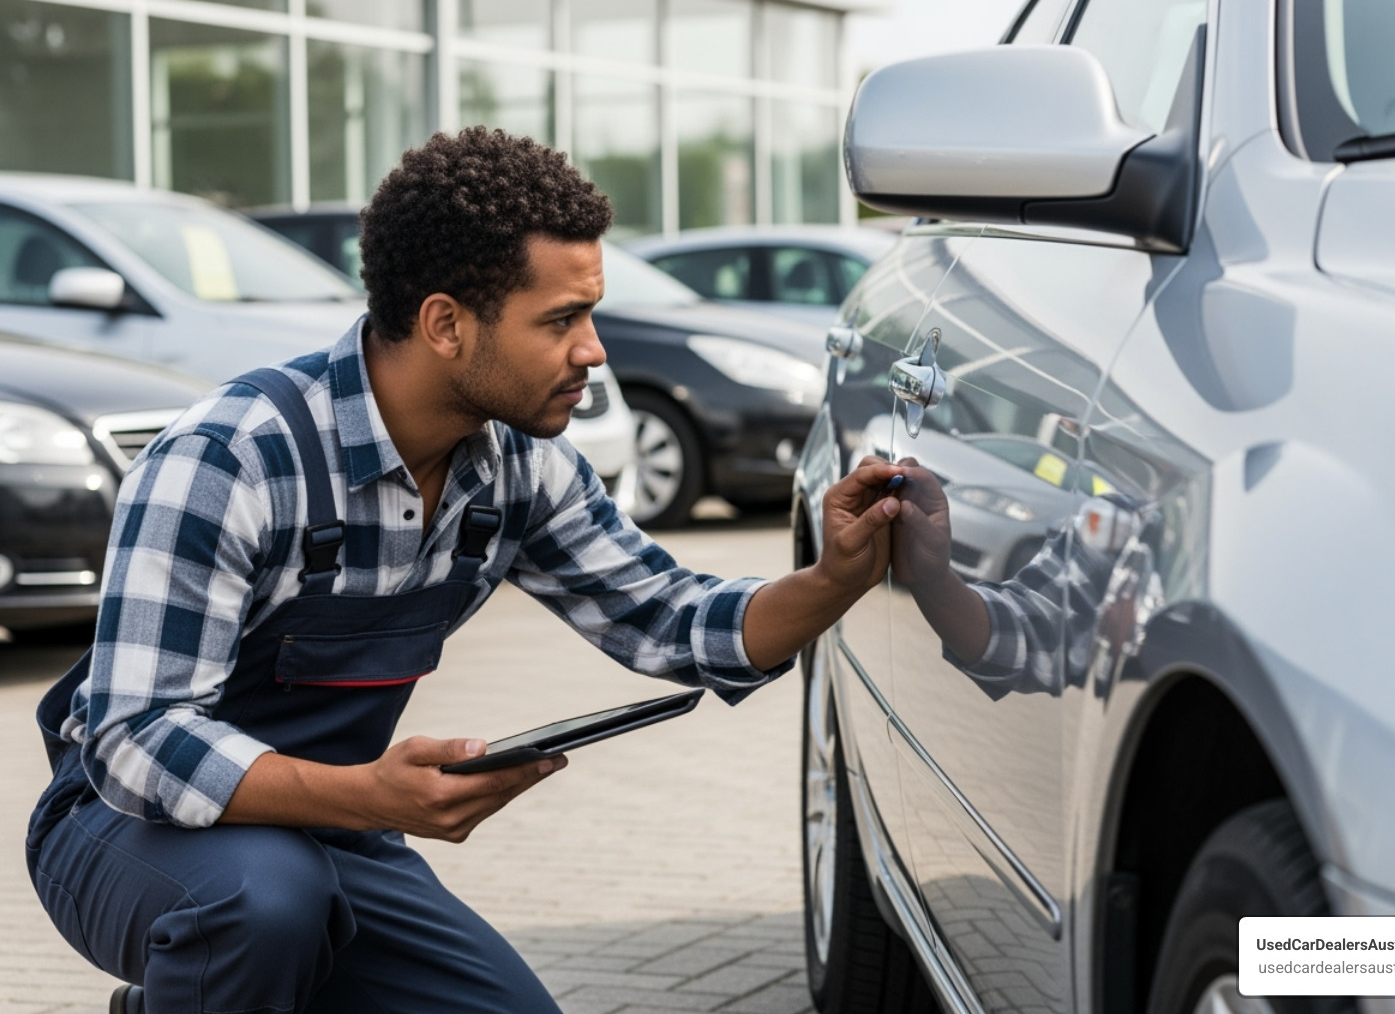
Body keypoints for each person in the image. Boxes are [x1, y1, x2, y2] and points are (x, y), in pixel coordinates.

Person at [24, 128, 903, 1014]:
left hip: (331, 827)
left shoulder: (516, 467)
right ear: (446, 323)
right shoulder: (229, 461)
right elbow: (137, 741)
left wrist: (835, 577)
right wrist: (370, 793)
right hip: (125, 824)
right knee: (261, 906)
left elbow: (671, 621)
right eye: (561, 320)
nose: (594, 350)